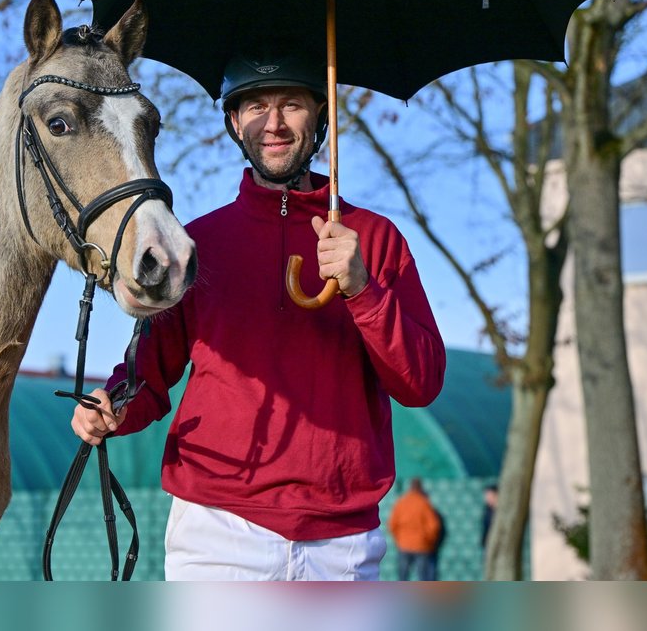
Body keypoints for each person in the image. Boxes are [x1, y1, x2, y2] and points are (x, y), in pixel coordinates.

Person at [70, 48, 446, 581]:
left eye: (292, 104)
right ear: (232, 121)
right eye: (255, 107)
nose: (273, 123)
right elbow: (148, 378)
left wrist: (362, 289)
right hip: (217, 532)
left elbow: (421, 384)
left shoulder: (376, 240)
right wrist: (111, 406)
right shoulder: (197, 244)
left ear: (322, 119)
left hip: (342, 540)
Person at [388, 478, 443, 581]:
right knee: (423, 578)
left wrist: (399, 539)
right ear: (421, 488)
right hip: (422, 546)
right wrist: (429, 542)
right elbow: (434, 526)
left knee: (402, 578)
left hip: (404, 545)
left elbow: (392, 524)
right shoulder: (424, 503)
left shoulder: (401, 503)